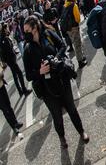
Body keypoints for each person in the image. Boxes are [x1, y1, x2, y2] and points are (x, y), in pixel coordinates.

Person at [22, 15, 89, 149]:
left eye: (28, 31)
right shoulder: (27, 49)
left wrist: (55, 59)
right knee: (57, 116)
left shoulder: (48, 34)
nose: (26, 35)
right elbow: (28, 75)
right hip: (46, 89)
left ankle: (81, 131)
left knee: (72, 109)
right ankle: (62, 138)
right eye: (24, 32)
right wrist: (40, 72)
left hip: (61, 79)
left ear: (35, 27)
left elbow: (63, 46)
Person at [0, 23, 32, 97]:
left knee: (15, 75)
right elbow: (9, 50)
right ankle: (24, 90)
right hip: (11, 60)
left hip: (10, 60)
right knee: (19, 73)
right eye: (7, 28)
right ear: (4, 29)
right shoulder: (4, 39)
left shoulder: (3, 38)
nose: (8, 29)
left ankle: (20, 91)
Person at [62, 0, 88, 69]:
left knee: (75, 43)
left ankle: (81, 57)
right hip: (74, 27)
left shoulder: (65, 5)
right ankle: (80, 62)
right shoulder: (74, 5)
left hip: (68, 28)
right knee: (77, 44)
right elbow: (78, 19)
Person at [0, 64, 24, 135]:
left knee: (8, 105)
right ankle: (14, 127)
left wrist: (2, 72)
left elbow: (1, 69)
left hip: (1, 86)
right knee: (5, 109)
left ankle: (16, 123)